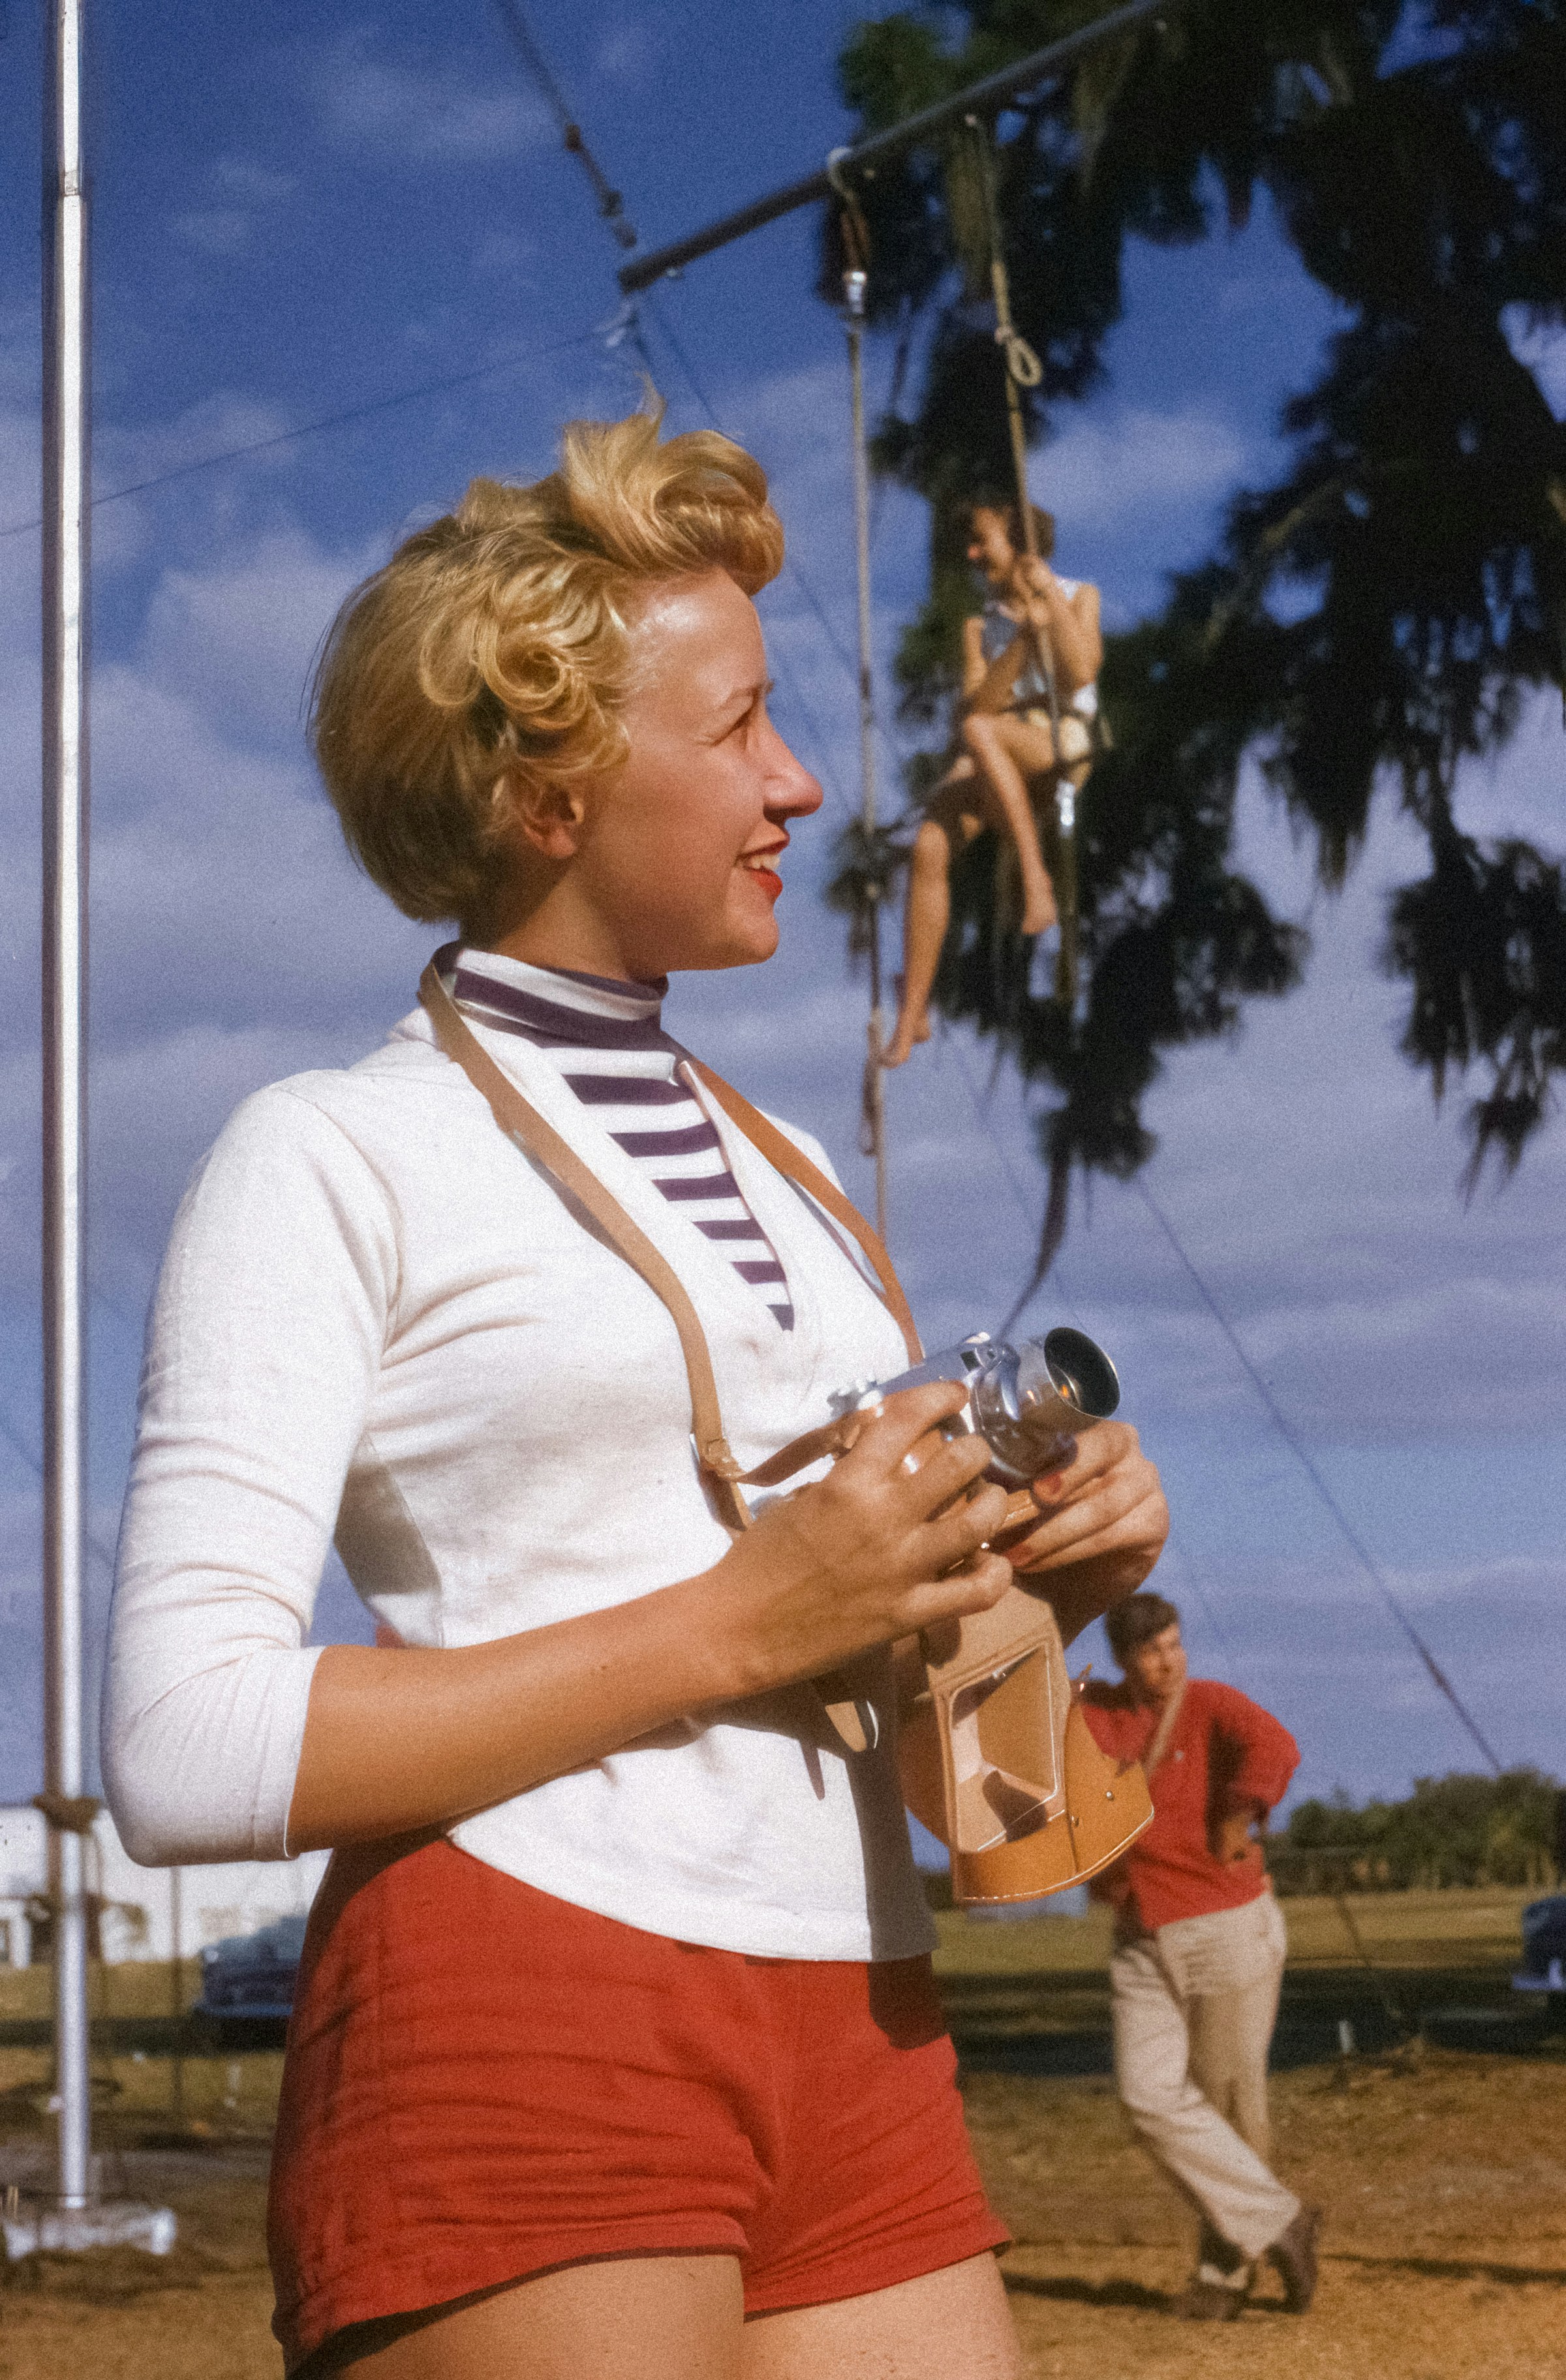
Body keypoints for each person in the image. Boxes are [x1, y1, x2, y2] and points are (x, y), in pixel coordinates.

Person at [103, 407, 1170, 2380]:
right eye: (738, 729)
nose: (798, 783)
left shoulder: (797, 1173)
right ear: (548, 795)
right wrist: (738, 1618)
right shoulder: (328, 1149)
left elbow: (856, 1646)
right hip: (518, 1998)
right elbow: (184, 1743)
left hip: (857, 2005)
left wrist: (1043, 1575)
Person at [1081, 1593, 1321, 2321]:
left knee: (1227, 2103)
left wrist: (1236, 1812)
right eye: (1150, 1651)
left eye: (1174, 1644)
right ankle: (1282, 2221)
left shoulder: (1211, 1703)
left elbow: (1274, 1748)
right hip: (1140, 1932)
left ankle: (1223, 2276)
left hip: (1223, 1926)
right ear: (1124, 1660)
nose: (1167, 1661)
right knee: (1149, 2096)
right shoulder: (1099, 1712)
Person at [882, 500, 1102, 1069]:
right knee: (930, 844)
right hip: (998, 747)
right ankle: (913, 1010)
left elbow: (1080, 673)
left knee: (983, 732)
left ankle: (1036, 881)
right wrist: (1024, 642)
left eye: (984, 541)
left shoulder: (1079, 594)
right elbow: (976, 705)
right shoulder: (980, 625)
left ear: (1021, 544)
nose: (973, 554)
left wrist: (1046, 598)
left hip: (1059, 743)